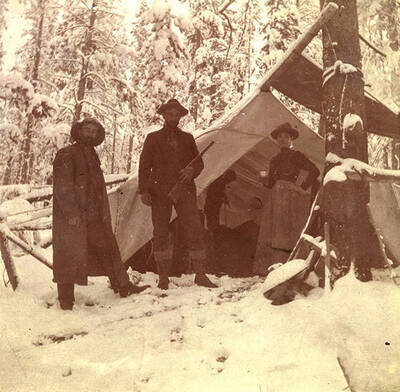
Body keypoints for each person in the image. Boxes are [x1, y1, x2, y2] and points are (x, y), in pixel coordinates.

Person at [52, 118, 148, 310]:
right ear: (79, 132)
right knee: (69, 254)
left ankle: (122, 285)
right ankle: (65, 300)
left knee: (107, 249)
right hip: (73, 218)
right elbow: (63, 188)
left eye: (93, 132)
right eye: (86, 130)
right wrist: (71, 212)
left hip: (94, 216)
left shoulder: (92, 154)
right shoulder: (66, 154)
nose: (89, 134)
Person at [138, 98, 217, 290]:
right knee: (161, 232)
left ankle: (200, 274)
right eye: (169, 114)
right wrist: (144, 190)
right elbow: (144, 166)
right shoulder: (152, 138)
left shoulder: (187, 139)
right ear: (164, 116)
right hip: (159, 192)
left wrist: (191, 172)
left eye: (176, 115)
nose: (173, 118)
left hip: (184, 190)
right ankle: (163, 278)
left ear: (180, 117)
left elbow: (198, 163)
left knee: (195, 229)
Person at [265, 122, 320, 197]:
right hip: (277, 196)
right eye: (280, 136)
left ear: (291, 140)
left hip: (291, 195)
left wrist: (302, 187)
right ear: (277, 140)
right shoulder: (274, 160)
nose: (282, 139)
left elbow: (315, 171)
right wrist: (263, 181)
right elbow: (271, 184)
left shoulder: (296, 156)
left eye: (286, 137)